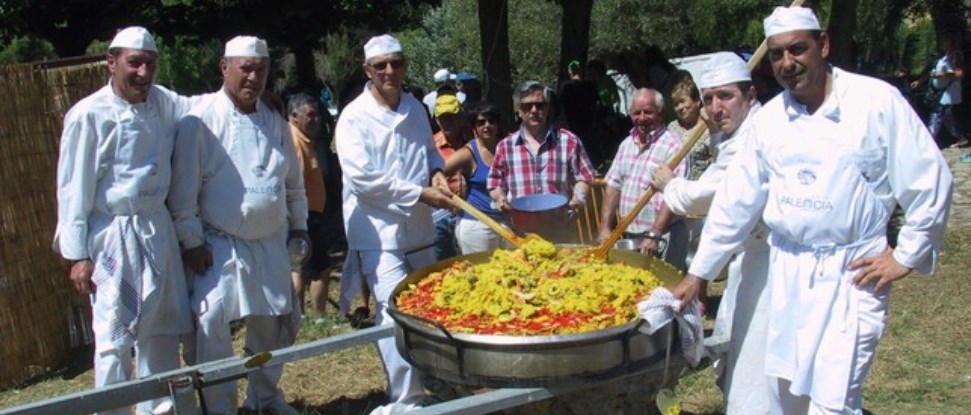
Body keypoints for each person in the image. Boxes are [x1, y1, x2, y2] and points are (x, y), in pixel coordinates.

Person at [673, 7, 953, 414]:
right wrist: (699, 273)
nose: (788, 63)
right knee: (783, 394)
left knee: (834, 399)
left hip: (851, 276)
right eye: (777, 54)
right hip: (786, 274)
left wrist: (906, 253)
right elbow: (736, 202)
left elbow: (929, 180)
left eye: (798, 49)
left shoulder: (875, 103)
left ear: (823, 46)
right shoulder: (769, 122)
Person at [53, 26, 192, 415]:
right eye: (135, 63)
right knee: (115, 334)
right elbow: (72, 187)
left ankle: (159, 409)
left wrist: (250, 99)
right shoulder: (88, 115)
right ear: (111, 63)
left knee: (161, 330)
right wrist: (78, 254)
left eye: (150, 64)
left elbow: (202, 107)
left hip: (156, 228)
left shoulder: (163, 103)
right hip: (113, 234)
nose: (143, 73)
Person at [169, 36, 307, 415]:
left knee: (274, 323)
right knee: (212, 320)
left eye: (260, 70)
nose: (253, 77)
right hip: (219, 244)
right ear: (224, 68)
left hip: (270, 242)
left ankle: (264, 396)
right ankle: (220, 407)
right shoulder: (200, 122)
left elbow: (292, 184)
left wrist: (299, 227)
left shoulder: (276, 122)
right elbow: (183, 193)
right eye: (245, 68)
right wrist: (191, 241)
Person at [334, 34, 455, 410]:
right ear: (367, 70)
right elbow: (363, 180)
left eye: (396, 63)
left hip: (418, 227)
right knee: (392, 310)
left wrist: (437, 174)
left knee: (428, 305)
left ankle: (434, 378)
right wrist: (421, 193)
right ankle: (406, 398)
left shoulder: (416, 108)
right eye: (381, 65)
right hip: (378, 232)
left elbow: (430, 153)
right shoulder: (353, 117)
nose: (390, 71)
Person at [651, 52, 770, 414]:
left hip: (771, 265)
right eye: (709, 98)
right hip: (747, 259)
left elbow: (710, 195)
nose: (716, 108)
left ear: (750, 96)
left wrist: (669, 185)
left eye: (727, 96)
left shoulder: (758, 135)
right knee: (735, 354)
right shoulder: (740, 130)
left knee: (757, 367)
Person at [487, 81, 596, 242]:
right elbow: (495, 183)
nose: (534, 110)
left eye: (540, 105)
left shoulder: (569, 141)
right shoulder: (505, 146)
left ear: (548, 109)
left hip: (560, 230)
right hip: (519, 234)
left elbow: (584, 178)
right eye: (527, 106)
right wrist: (500, 198)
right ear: (518, 111)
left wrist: (579, 197)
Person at [596, 88, 689, 271]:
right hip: (630, 234)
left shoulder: (673, 147)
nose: (642, 118)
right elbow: (613, 185)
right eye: (637, 113)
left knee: (665, 291)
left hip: (664, 235)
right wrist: (605, 227)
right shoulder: (626, 145)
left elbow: (674, 196)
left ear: (661, 113)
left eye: (648, 112)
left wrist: (655, 234)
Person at [287, 92, 334, 321]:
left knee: (300, 268)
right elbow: (293, 182)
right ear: (294, 116)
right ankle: (318, 317)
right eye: (310, 115)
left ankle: (301, 316)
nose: (316, 120)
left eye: (317, 115)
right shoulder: (294, 142)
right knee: (318, 267)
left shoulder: (305, 139)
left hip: (310, 213)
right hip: (304, 216)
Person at [445, 102, 504, 254]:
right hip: (477, 225)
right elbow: (437, 172)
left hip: (506, 222)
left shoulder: (507, 147)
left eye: (491, 121)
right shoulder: (468, 153)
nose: (487, 126)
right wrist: (447, 196)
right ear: (474, 127)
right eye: (481, 122)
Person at [910, 30, 968, 149]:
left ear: (949, 41)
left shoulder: (955, 56)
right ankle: (961, 137)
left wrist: (943, 75)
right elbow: (932, 73)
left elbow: (960, 73)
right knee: (946, 116)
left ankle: (927, 141)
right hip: (940, 92)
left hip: (948, 92)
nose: (941, 42)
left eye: (943, 40)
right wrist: (919, 81)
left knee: (937, 115)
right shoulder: (943, 57)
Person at [431, 94, 470, 260]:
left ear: (460, 117)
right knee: (443, 260)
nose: (447, 122)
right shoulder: (431, 145)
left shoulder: (472, 140)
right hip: (440, 212)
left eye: (451, 117)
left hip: (469, 210)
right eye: (443, 118)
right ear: (437, 120)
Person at [666, 76, 714, 181]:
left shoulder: (709, 127)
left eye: (683, 101)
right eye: (676, 104)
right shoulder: (672, 128)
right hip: (675, 188)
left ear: (697, 101)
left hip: (701, 187)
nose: (680, 107)